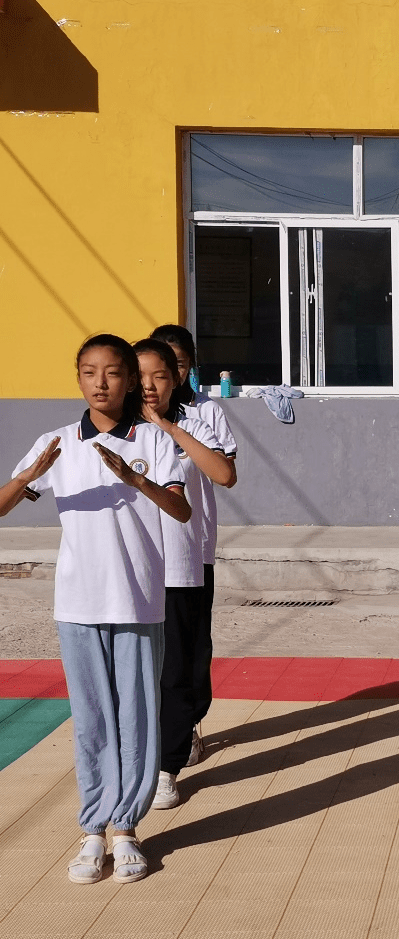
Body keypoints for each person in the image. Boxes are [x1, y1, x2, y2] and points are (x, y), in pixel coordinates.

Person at [0, 334, 191, 885]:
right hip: (77, 601)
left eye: (111, 372)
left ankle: (127, 829)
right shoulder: (57, 443)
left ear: (131, 379)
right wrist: (29, 476)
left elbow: (179, 510)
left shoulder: (153, 441)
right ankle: (93, 829)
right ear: (78, 378)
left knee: (136, 717)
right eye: (88, 372)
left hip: (137, 601)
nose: (100, 382)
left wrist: (134, 479)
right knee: (90, 720)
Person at [133, 340, 236, 810]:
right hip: (129, 566)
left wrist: (168, 427)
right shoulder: (117, 426)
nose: (150, 385)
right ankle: (135, 757)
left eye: (161, 374)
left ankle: (166, 766)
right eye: (140, 375)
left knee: (178, 667)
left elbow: (225, 474)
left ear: (178, 376)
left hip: (180, 561)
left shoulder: (195, 420)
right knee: (136, 672)